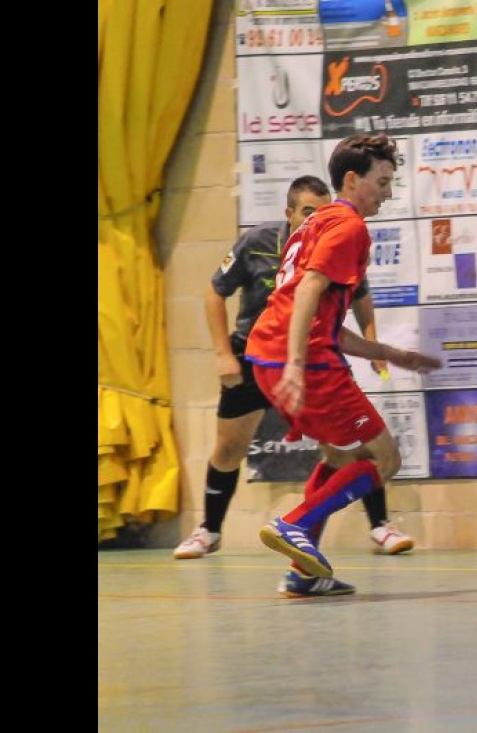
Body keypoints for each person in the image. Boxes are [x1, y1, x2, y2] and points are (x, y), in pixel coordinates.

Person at [173, 175, 416, 571]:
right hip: (260, 357)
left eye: (321, 212)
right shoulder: (259, 242)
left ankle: (363, 533)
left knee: (346, 449)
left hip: (307, 355)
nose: (316, 219)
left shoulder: (335, 238)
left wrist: (378, 349)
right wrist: (223, 355)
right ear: (288, 213)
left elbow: (357, 299)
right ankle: (212, 530)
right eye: (307, 212)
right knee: (230, 448)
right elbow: (215, 292)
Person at [245, 135, 442, 596]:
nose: (388, 193)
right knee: (384, 457)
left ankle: (304, 573)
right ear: (352, 180)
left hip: (268, 355)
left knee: (338, 457)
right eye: (383, 182)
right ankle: (295, 525)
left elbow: (327, 321)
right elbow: (311, 290)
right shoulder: (349, 226)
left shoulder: (314, 225)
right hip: (305, 362)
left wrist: (391, 354)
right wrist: (297, 363)